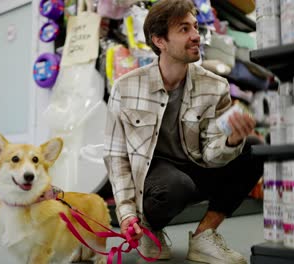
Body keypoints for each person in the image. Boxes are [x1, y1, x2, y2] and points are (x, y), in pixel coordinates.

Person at [103, 0, 263, 263]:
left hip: (196, 165)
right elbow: (117, 157)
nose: (196, 36)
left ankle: (204, 235)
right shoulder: (126, 88)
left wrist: (231, 140)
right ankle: (149, 229)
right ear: (159, 41)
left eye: (196, 27)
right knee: (175, 186)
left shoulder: (216, 86)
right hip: (154, 178)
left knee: (253, 147)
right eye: (184, 29)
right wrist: (127, 214)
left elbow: (211, 154)